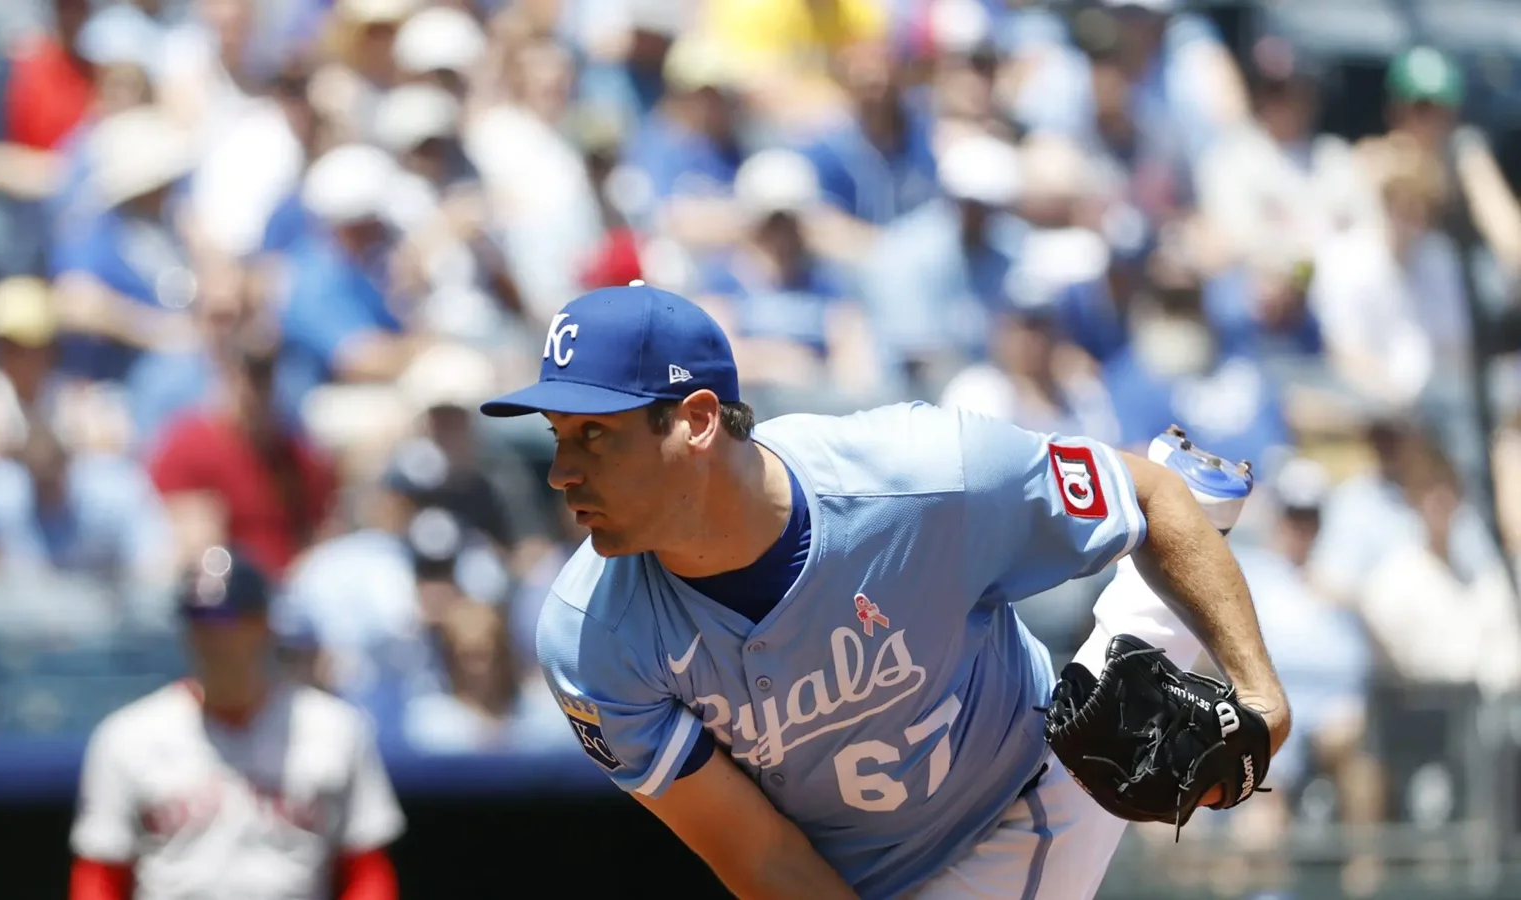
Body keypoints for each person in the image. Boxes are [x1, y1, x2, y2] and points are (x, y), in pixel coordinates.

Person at [479, 282, 1289, 899]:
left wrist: (1261, 695)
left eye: (594, 434)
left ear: (695, 420)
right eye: (556, 436)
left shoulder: (924, 474)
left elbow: (1147, 494)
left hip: (1026, 792)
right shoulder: (590, 633)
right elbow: (760, 857)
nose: (561, 471)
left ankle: (1157, 591)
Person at [69, 546, 404, 900]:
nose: (211, 636)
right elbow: (100, 875)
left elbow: (365, 869)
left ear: (263, 625)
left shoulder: (336, 728)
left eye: (225, 619)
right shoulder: (127, 735)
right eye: (197, 619)